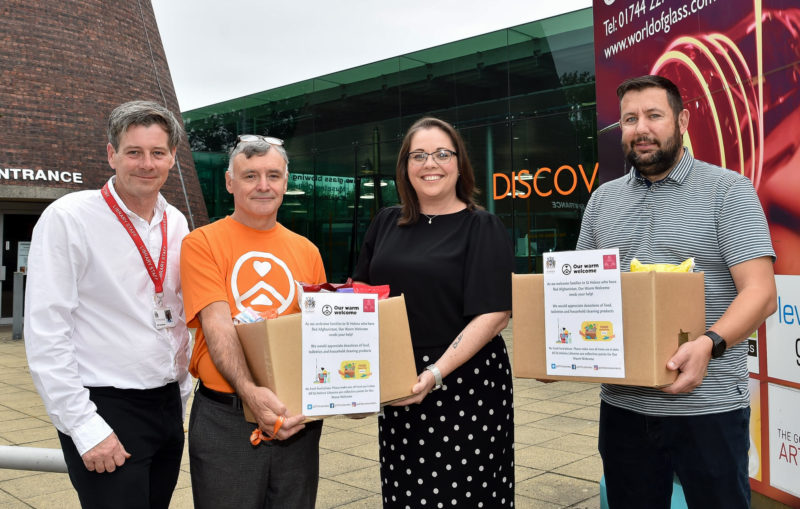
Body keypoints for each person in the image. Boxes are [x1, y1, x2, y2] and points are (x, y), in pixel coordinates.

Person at [577, 75, 777, 508]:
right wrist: (561, 345)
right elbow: (582, 294)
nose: (641, 129)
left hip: (708, 410)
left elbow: (761, 292)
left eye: (653, 115)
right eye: (630, 119)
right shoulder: (602, 201)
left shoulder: (728, 191)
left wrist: (710, 344)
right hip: (624, 408)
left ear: (682, 120)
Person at [24, 101, 192, 508]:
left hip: (167, 404)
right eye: (133, 152)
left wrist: (182, 393)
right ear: (111, 154)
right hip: (106, 406)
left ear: (172, 157)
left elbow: (179, 313)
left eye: (157, 152)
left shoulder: (177, 222)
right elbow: (47, 329)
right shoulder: (69, 217)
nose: (146, 164)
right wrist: (83, 425)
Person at [353, 117, 515, 508]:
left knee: (466, 495)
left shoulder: (482, 226)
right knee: (407, 492)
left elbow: (494, 314)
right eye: (419, 155)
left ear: (459, 164)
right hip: (399, 379)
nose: (431, 164)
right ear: (405, 167)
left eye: (443, 154)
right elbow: (359, 298)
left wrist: (436, 372)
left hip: (465, 383)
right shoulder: (386, 222)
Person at [180, 135, 326, 508]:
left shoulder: (307, 251)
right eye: (250, 176)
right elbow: (217, 327)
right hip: (226, 419)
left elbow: (319, 336)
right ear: (230, 182)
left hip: (296, 420)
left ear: (285, 182)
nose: (264, 185)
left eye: (273, 176)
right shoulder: (202, 243)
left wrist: (340, 393)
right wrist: (251, 394)